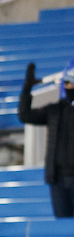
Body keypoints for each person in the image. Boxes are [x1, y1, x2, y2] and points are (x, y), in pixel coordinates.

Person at [19, 62, 74, 217]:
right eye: (66, 83)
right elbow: (25, 115)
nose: (67, 87)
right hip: (58, 179)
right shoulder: (55, 110)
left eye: (71, 83)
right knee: (62, 227)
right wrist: (27, 89)